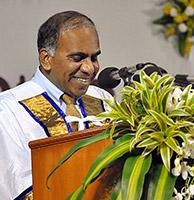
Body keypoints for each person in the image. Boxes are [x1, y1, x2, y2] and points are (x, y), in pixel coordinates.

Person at [0, 11, 113, 200]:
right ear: (46, 59)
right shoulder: (9, 110)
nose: (89, 68)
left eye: (94, 58)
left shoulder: (102, 99)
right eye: (78, 58)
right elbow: (17, 188)